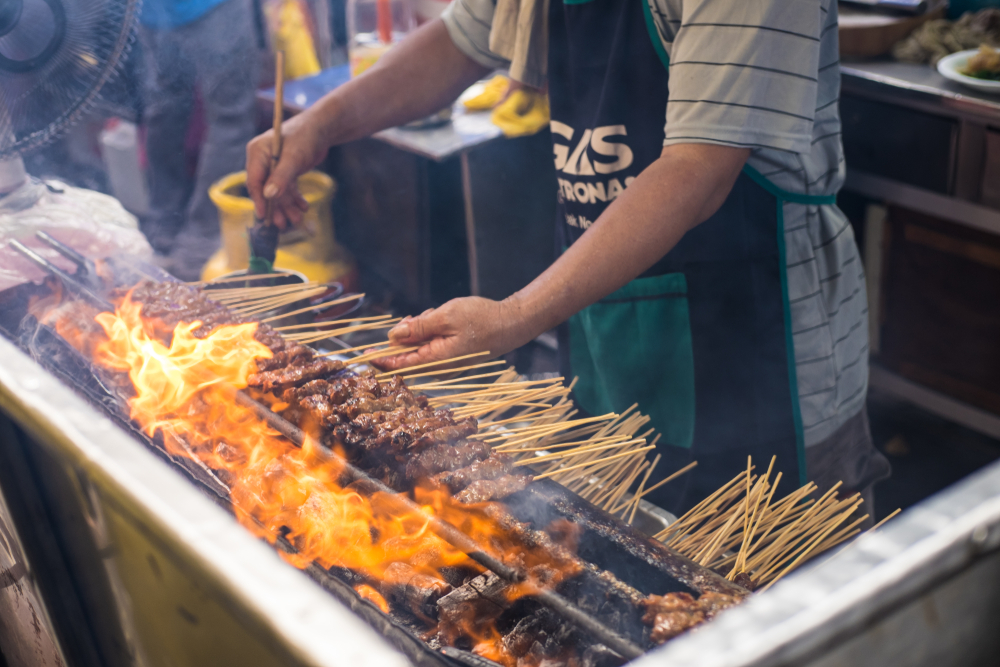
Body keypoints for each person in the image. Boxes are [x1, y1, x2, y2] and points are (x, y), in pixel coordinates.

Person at [245, 0, 890, 515]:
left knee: (766, 607)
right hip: (606, 330)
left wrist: (516, 315)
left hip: (761, 345)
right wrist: (321, 124)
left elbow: (698, 168)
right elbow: (462, 40)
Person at [140, 0, 260, 280]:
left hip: (151, 12)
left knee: (165, 110)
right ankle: (201, 242)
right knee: (230, 119)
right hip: (209, 7)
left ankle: (163, 230)